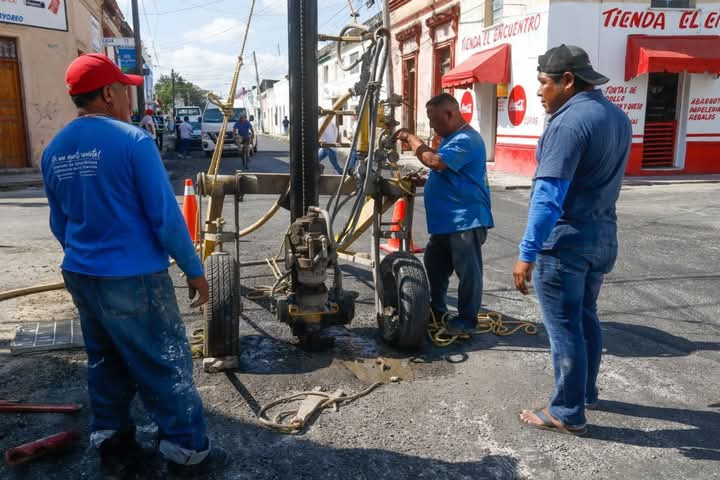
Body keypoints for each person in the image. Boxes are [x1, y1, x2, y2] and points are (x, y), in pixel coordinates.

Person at [41, 53, 227, 477]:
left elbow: (59, 224)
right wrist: (195, 271)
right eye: (124, 89)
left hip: (82, 273)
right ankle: (186, 452)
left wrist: (87, 254)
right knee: (164, 361)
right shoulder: (133, 141)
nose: (129, 96)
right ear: (108, 93)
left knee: (104, 358)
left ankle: (112, 441)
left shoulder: (54, 151)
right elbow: (165, 217)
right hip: (132, 276)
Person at [514, 45, 632, 435]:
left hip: (566, 244)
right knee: (586, 318)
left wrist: (526, 253)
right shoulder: (616, 116)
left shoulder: (567, 124)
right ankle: (586, 392)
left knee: (565, 329)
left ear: (567, 81)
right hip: (603, 237)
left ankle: (567, 411)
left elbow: (548, 199)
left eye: (544, 83)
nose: (539, 92)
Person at [392, 93, 494, 335]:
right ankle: (437, 312)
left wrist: (409, 137)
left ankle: (466, 321)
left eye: (435, 121)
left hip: (464, 220)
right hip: (445, 222)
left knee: (468, 272)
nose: (433, 127)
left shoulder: (467, 139)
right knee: (435, 267)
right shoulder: (451, 139)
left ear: (450, 113)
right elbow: (450, 172)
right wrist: (425, 180)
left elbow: (435, 161)